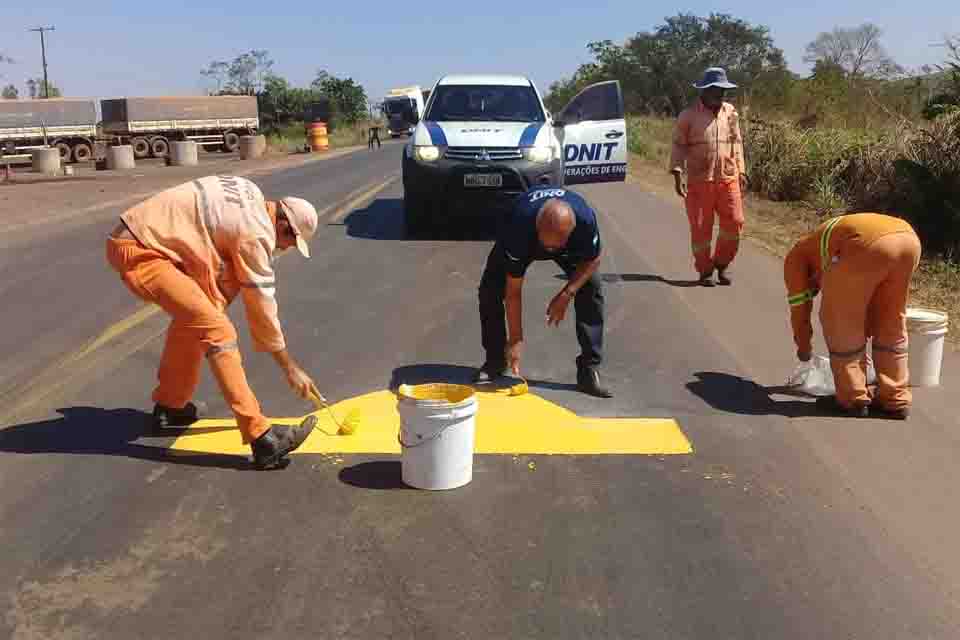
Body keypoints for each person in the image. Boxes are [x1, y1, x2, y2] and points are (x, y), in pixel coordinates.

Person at [105, 175, 322, 469]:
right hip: (142, 253)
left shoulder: (250, 193)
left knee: (199, 319)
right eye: (289, 243)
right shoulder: (256, 233)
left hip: (141, 235)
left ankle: (170, 405)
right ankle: (262, 439)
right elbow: (261, 304)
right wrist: (290, 367)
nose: (282, 249)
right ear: (284, 226)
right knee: (218, 330)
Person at [475, 186, 611, 398]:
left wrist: (567, 293)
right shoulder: (518, 226)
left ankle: (589, 369)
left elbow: (593, 259)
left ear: (571, 231)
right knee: (490, 290)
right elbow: (513, 292)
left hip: (567, 246)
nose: (550, 252)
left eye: (556, 247)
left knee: (591, 287)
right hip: (524, 239)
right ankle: (495, 360)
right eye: (547, 246)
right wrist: (516, 339)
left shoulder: (585, 220)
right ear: (538, 228)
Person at [784, 212, 921, 419]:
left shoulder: (795, 259)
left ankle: (852, 397)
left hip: (867, 244)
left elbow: (800, 310)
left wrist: (804, 350)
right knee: (890, 319)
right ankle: (895, 397)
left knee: (841, 320)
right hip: (908, 240)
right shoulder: (823, 243)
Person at [670, 67, 748, 286]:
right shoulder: (688, 116)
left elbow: (737, 142)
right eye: (715, 89)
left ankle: (722, 264)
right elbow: (678, 145)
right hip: (699, 180)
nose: (720, 94)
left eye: (723, 90)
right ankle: (705, 271)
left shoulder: (731, 112)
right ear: (703, 91)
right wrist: (677, 172)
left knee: (735, 222)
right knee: (701, 228)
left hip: (727, 177)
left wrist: (741, 170)